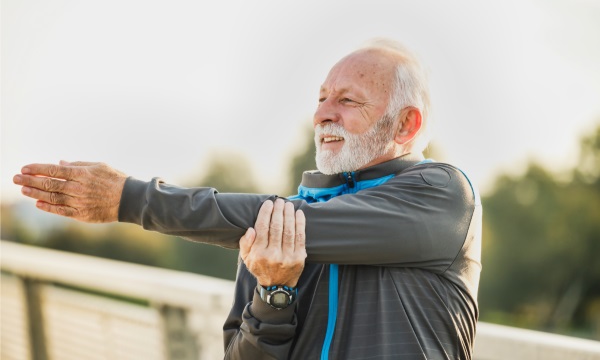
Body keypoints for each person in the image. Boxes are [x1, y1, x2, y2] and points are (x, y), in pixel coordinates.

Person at [13, 39, 482, 360]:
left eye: (348, 101)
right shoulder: (271, 225)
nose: (321, 114)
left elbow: (300, 223)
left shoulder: (441, 193)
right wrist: (273, 297)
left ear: (406, 125)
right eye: (320, 99)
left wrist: (130, 199)